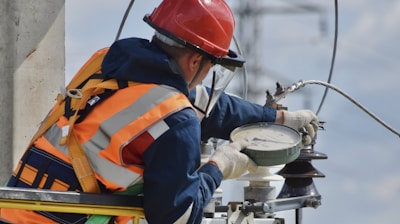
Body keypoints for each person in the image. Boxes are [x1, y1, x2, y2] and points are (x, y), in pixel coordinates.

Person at [0, 0, 319, 223]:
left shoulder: (109, 64)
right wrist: (220, 166)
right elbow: (178, 216)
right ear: (196, 62)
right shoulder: (175, 117)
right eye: (211, 66)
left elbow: (210, 106)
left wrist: (276, 119)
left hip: (15, 209)